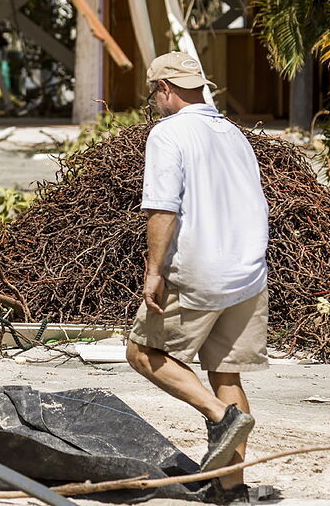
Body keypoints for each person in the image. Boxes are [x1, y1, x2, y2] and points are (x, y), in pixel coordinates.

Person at [125, 52, 270, 502]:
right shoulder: (233, 133)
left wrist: (153, 271)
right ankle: (232, 490)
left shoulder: (168, 133)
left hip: (199, 269)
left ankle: (219, 417)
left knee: (141, 352)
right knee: (227, 376)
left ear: (165, 89)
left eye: (153, 93)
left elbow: (162, 207)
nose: (154, 101)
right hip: (248, 271)